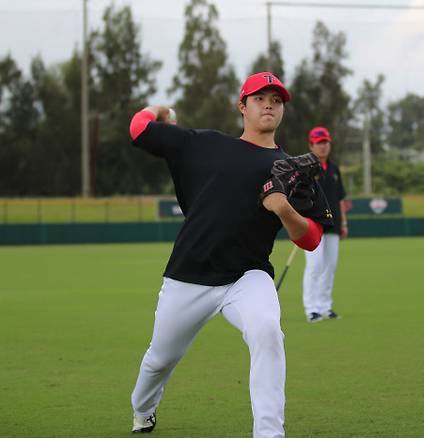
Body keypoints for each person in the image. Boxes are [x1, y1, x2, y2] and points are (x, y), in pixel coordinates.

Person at [127, 72, 332, 437]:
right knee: (160, 360)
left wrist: (284, 210)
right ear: (242, 106)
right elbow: (139, 129)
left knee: (267, 330)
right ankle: (143, 410)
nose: (269, 104)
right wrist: (161, 110)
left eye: (277, 99)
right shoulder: (204, 145)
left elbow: (312, 239)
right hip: (189, 276)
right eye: (260, 98)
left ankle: (269, 432)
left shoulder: (292, 171)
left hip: (247, 276)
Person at [302, 126, 349, 323]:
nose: (323, 146)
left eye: (326, 142)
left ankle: (325, 306)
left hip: (333, 225)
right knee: (315, 266)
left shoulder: (335, 169)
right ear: (311, 145)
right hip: (313, 225)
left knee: (330, 266)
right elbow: (300, 197)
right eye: (319, 143)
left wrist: (344, 223)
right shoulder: (305, 168)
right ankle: (311, 308)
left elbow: (340, 198)